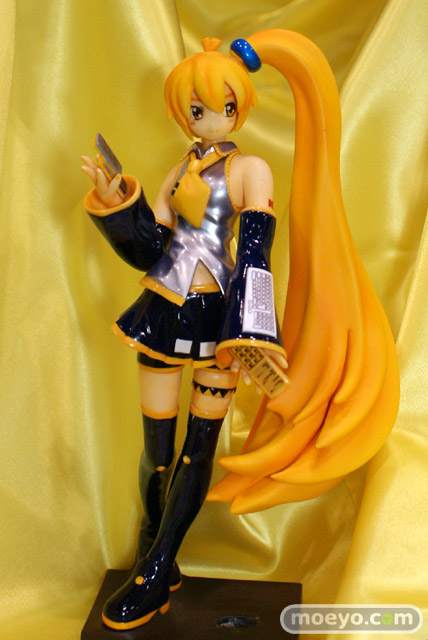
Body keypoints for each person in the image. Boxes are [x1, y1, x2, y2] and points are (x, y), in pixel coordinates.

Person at [81, 29, 399, 631]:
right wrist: (117, 201)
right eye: (198, 110)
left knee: (198, 444)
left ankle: (155, 570)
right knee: (156, 446)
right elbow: (151, 247)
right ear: (184, 114)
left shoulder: (251, 169)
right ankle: (154, 546)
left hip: (217, 320)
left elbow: (255, 254)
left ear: (239, 107)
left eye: (224, 107)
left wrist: (251, 332)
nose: (211, 120)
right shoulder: (179, 168)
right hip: (163, 310)